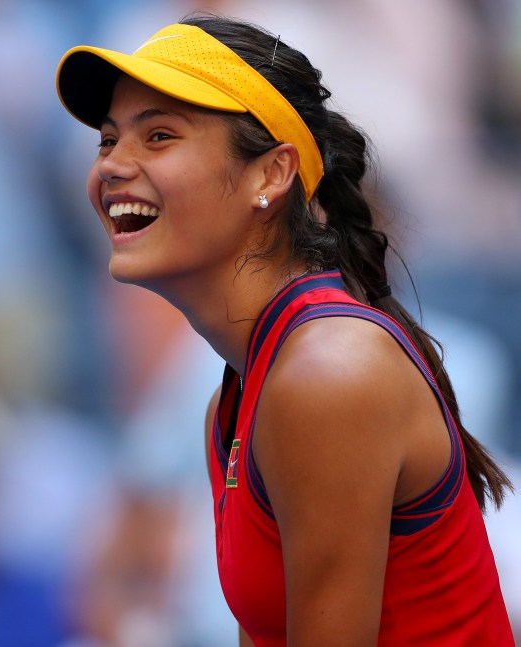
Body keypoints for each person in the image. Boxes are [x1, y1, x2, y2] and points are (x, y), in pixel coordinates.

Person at [54, 13, 516, 646]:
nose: (112, 165)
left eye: (158, 136)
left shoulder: (325, 372)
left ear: (271, 175)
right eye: (107, 141)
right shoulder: (245, 386)